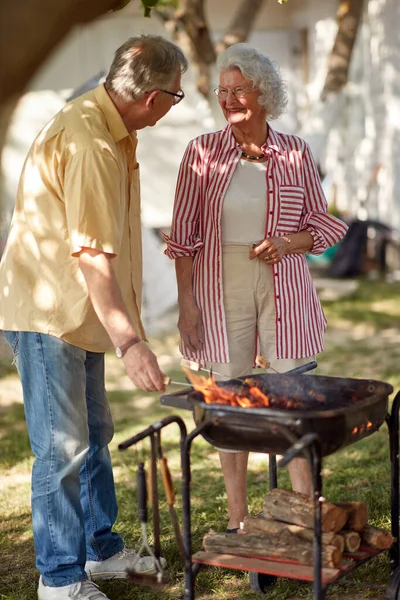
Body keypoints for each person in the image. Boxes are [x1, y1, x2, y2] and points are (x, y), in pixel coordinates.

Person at [0, 35, 188, 600]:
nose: (173, 106)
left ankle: (98, 550)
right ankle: (59, 580)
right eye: (176, 97)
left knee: (95, 435)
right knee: (61, 447)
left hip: (79, 315)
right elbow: (90, 253)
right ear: (153, 98)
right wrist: (131, 342)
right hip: (49, 313)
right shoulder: (90, 142)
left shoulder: (111, 131)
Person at [164, 43, 348, 533]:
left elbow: (325, 226)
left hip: (283, 285)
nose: (228, 100)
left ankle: (307, 510)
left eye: (238, 90)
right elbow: (182, 240)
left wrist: (289, 241)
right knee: (229, 402)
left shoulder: (295, 152)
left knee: (292, 395)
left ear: (263, 93)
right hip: (220, 288)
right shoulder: (201, 153)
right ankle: (239, 517)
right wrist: (187, 307)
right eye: (223, 92)